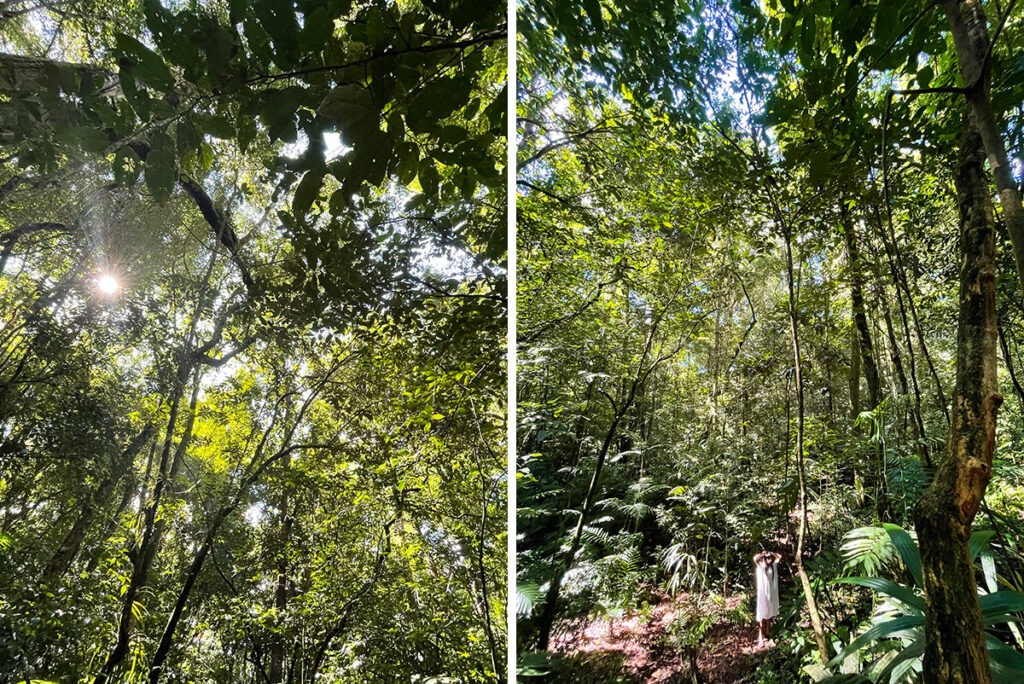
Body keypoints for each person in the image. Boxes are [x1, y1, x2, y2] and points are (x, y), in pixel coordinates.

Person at [754, 550, 781, 646]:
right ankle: (760, 637)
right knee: (761, 614)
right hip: (763, 594)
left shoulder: (772, 566)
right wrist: (762, 554)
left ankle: (768, 631)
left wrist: (772, 553)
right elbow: (755, 559)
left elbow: (779, 557)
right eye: (767, 558)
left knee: (769, 612)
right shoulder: (761, 566)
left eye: (770, 558)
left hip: (770, 594)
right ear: (764, 559)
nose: (769, 560)